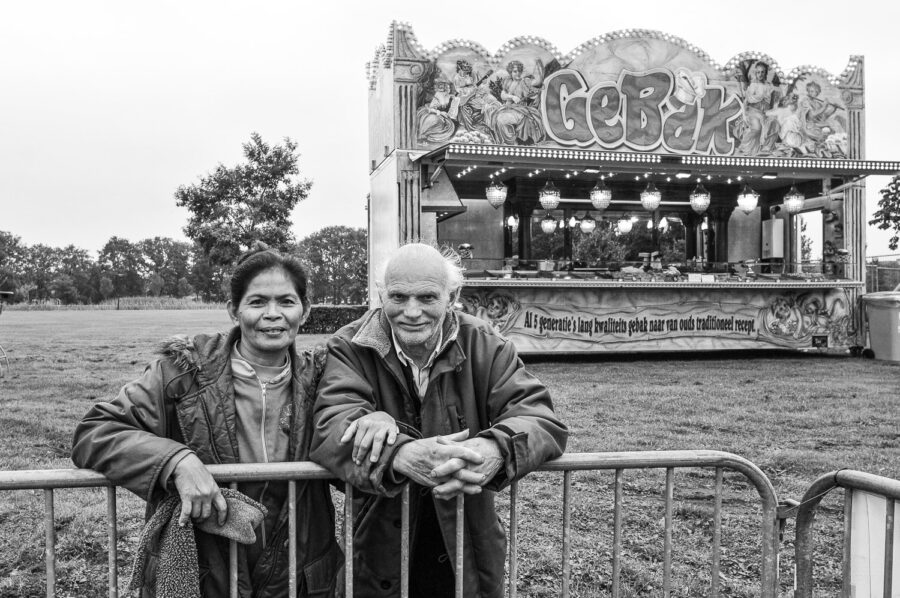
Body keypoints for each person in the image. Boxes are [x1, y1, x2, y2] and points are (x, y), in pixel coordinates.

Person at [71, 244, 391, 597]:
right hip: (209, 567)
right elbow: (97, 431)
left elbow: (349, 422)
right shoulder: (182, 372)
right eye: (257, 302)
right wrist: (176, 462)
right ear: (233, 310)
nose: (273, 314)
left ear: (305, 309)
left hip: (299, 572)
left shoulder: (323, 377)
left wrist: (375, 418)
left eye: (286, 301)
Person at [310, 243, 568, 598]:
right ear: (382, 295)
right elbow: (332, 421)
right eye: (398, 297)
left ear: (453, 296)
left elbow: (539, 418)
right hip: (378, 545)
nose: (411, 312)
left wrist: (495, 446)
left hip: (467, 545)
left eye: (427, 298)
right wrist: (398, 453)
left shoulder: (485, 343)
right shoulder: (350, 345)